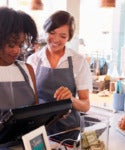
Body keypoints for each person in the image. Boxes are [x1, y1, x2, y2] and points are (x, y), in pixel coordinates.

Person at [27, 10, 92, 144]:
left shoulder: (78, 61)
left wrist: (71, 99)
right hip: (39, 132)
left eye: (62, 36)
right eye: (52, 33)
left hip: (69, 132)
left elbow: (85, 105)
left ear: (69, 38)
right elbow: (29, 101)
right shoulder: (33, 60)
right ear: (45, 31)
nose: (56, 40)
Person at [0, 7, 38, 111]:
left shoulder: (27, 70)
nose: (17, 51)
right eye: (11, 45)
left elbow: (36, 112)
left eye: (20, 45)